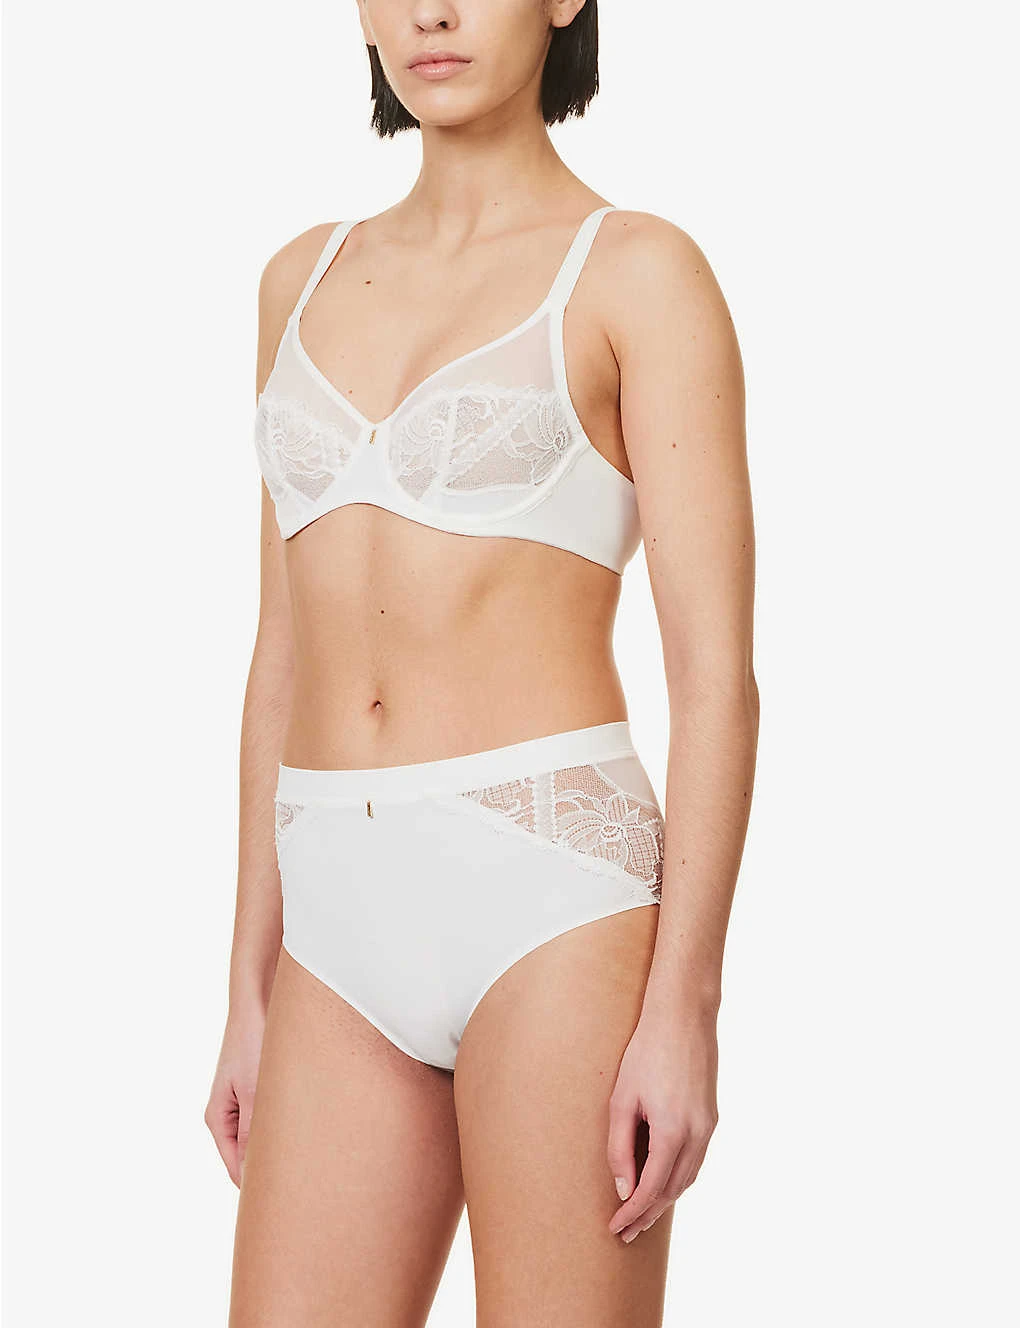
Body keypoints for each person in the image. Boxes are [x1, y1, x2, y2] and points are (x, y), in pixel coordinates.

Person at [206, 1, 759, 1323]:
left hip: (551, 899)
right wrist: (246, 983)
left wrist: (685, 1010)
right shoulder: (299, 278)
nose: (431, 12)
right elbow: (280, 653)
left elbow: (715, 678)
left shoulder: (636, 273)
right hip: (335, 921)